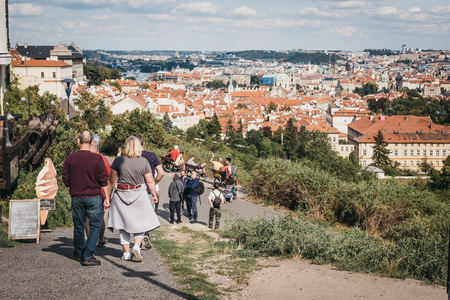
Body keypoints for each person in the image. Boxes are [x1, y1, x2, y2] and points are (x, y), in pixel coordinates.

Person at [107, 136, 160, 262]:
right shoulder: (143, 161)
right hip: (139, 194)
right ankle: (136, 246)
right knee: (141, 223)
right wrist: (154, 195)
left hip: (121, 193)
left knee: (123, 224)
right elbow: (150, 181)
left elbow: (112, 181)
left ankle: (126, 253)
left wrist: (108, 196)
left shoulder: (118, 160)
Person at [62, 131, 109, 266]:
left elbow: (65, 176)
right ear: (92, 142)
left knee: (78, 225)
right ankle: (88, 255)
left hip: (77, 196)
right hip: (94, 196)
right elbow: (103, 179)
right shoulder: (97, 158)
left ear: (78, 141)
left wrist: (70, 188)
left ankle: (78, 252)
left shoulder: (70, 157)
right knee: (95, 225)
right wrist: (106, 197)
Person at [136, 134, 164, 249]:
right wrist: (154, 182)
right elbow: (161, 172)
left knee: (137, 215)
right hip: (148, 189)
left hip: (135, 189)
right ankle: (146, 233)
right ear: (144, 143)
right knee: (147, 214)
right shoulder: (152, 155)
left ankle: (138, 237)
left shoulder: (132, 156)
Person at [84, 140, 110, 248]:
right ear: (95, 148)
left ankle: (90, 240)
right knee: (100, 217)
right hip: (99, 191)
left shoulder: (82, 157)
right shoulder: (102, 159)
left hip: (84, 190)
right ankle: (100, 239)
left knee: (87, 217)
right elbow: (108, 174)